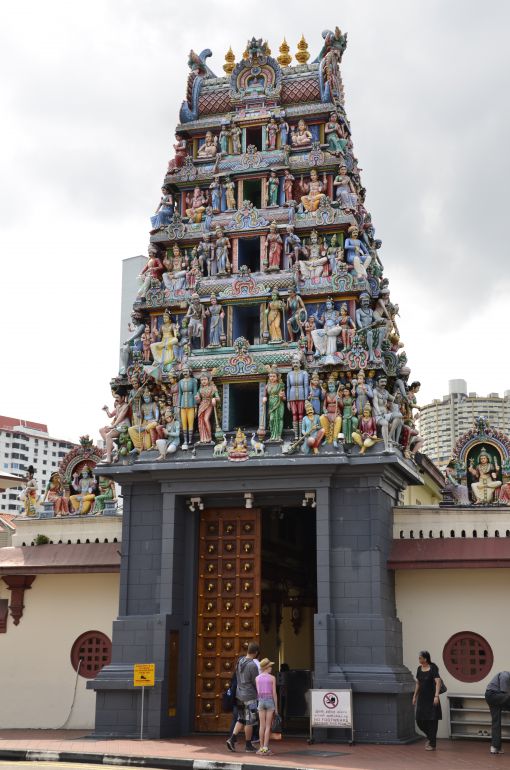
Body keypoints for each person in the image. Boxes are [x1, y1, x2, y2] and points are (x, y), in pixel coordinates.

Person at [226, 641, 260, 753]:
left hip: (239, 694)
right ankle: (248, 745)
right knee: (249, 721)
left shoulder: (239, 661)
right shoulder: (253, 665)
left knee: (240, 718)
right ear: (255, 652)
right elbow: (256, 682)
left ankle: (232, 739)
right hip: (249, 695)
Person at [412, 650, 442, 751]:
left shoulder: (433, 668)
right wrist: (414, 696)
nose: (419, 659)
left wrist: (436, 696)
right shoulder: (419, 669)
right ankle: (430, 737)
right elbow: (418, 683)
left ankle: (432, 744)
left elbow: (438, 681)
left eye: (420, 658)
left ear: (425, 658)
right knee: (419, 720)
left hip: (432, 698)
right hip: (422, 699)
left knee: (432, 721)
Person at [255, 658, 278, 756]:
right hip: (269, 701)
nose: (271, 668)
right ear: (266, 667)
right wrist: (276, 707)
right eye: (270, 666)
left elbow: (257, 692)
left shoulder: (257, 678)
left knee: (262, 725)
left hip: (261, 701)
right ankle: (265, 747)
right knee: (268, 726)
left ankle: (260, 748)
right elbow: (274, 693)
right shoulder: (272, 678)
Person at [485, 670, 510, 754]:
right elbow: (505, 693)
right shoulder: (505, 674)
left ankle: (495, 747)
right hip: (493, 695)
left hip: (491, 696)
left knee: (496, 722)